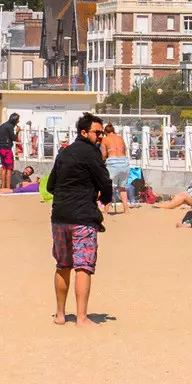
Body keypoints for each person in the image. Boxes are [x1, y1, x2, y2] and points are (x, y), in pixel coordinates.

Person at [47, 113, 115, 326]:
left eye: (102, 133)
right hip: (82, 217)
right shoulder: (92, 154)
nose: (100, 137)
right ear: (84, 133)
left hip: (59, 216)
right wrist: (103, 198)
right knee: (83, 266)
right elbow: (105, 183)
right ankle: (82, 317)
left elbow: (50, 186)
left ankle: (60, 315)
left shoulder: (64, 153)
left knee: (63, 264)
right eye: (97, 132)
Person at [100, 121, 131, 215]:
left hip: (113, 164)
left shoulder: (105, 140)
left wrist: (101, 161)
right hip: (124, 163)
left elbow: (104, 154)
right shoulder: (120, 138)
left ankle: (105, 211)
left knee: (110, 188)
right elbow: (124, 151)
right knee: (122, 188)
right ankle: (126, 210)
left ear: (105, 132)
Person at [0, 112, 22, 192]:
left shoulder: (2, 125)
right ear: (14, 120)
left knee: (4, 168)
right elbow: (14, 138)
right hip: (7, 149)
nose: (18, 122)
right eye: (17, 120)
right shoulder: (10, 126)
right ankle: (7, 188)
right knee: (9, 169)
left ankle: (2, 187)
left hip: (1, 149)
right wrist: (17, 132)